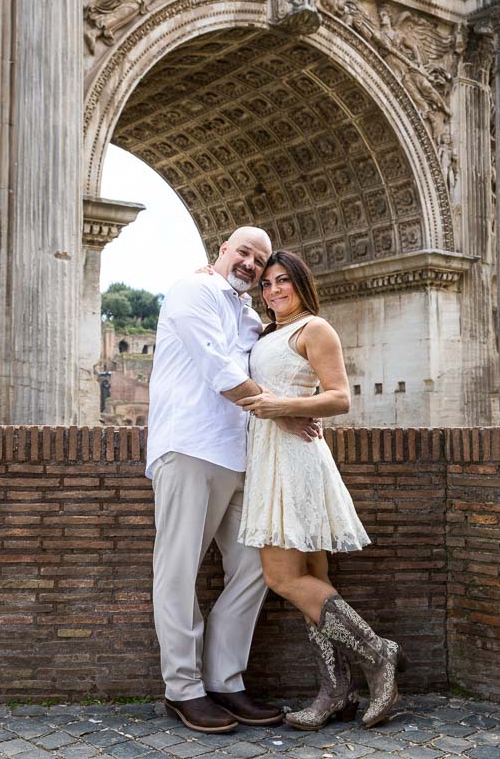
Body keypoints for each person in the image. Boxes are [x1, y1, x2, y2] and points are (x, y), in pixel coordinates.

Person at [146, 228, 320, 734]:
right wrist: (283, 412)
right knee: (177, 571)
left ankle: (225, 679)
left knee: (254, 566)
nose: (250, 263)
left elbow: (274, 361)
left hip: (240, 456)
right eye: (243, 252)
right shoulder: (192, 290)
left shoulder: (249, 315)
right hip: (188, 446)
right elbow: (219, 368)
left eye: (260, 260)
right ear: (222, 249)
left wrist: (299, 402)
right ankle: (183, 689)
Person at [237, 250, 408, 730]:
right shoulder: (269, 333)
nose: (273, 291)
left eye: (282, 281)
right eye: (266, 283)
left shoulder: (315, 328)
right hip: (271, 454)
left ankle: (378, 653)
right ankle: (335, 690)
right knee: (314, 577)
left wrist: (280, 406)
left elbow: (339, 396)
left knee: (282, 577)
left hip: (296, 461)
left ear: (301, 284)